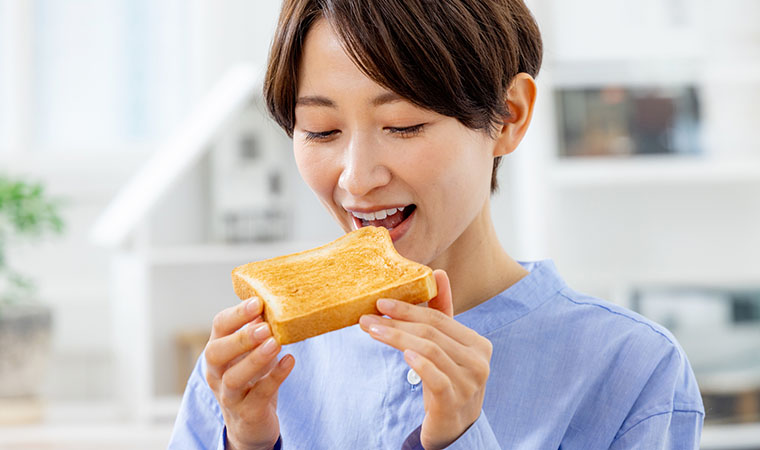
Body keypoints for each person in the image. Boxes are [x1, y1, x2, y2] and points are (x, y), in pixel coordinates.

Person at [169, 0, 704, 448]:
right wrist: (248, 441)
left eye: (403, 125)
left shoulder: (633, 368)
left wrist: (461, 437)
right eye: (321, 130)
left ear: (509, 115)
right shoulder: (244, 370)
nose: (357, 179)